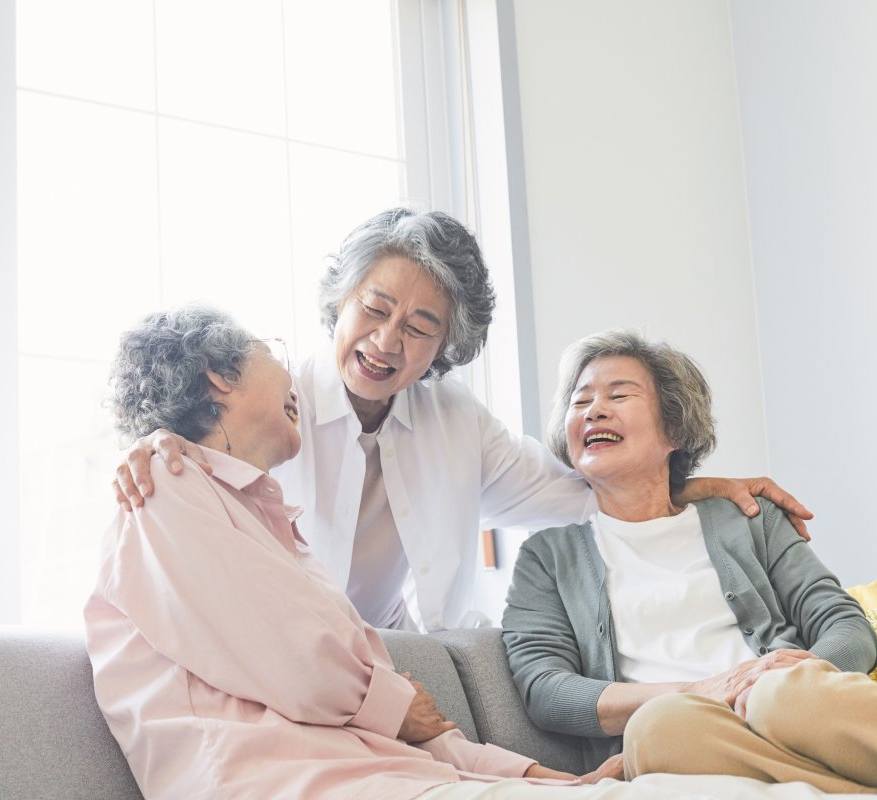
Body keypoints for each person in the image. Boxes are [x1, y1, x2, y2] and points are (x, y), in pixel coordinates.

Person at [112, 207, 811, 632]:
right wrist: (153, 442)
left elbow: (578, 495)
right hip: (293, 651)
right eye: (375, 309)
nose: (388, 343)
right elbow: (189, 458)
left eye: (420, 327)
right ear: (341, 298)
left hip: (403, 654)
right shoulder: (274, 405)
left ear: (446, 348)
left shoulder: (454, 419)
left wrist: (697, 489)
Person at [85, 305, 623, 800]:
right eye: (272, 354)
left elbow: (412, 719)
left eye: (420, 326)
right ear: (219, 377)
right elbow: (306, 666)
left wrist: (547, 780)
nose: (291, 378)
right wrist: (392, 706)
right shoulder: (164, 485)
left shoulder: (277, 533)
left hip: (378, 777)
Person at [501, 329, 877, 792]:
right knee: (658, 730)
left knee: (782, 695)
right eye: (580, 403)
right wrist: (705, 690)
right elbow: (547, 690)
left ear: (675, 429)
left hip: (786, 705)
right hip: (691, 731)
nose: (594, 410)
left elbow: (847, 626)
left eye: (619, 394)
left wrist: (791, 670)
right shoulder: (546, 558)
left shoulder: (749, 518)